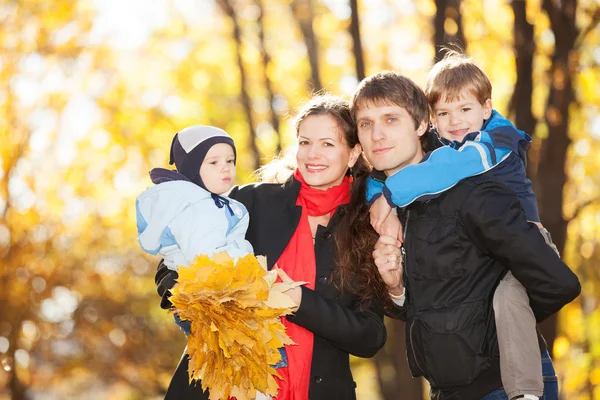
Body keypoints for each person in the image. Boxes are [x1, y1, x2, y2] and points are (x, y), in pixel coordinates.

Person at [339, 70, 580, 400]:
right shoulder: (387, 210)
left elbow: (558, 282)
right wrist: (395, 287)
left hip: (506, 387)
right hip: (444, 390)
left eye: (391, 119)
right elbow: (432, 309)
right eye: (366, 124)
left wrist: (495, 328)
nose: (377, 134)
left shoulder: (470, 191)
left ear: (423, 124)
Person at [154, 95, 387, 400]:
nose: (313, 154)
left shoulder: (368, 226)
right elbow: (168, 269)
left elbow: (370, 337)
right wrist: (216, 295)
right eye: (305, 142)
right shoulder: (247, 203)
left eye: (328, 144)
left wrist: (298, 300)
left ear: (354, 153)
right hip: (222, 388)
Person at [136, 125, 254, 336]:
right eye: (213, 162)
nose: (225, 168)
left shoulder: (205, 203)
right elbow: (205, 256)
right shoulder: (197, 208)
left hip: (206, 296)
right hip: (210, 298)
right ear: (192, 168)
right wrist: (246, 275)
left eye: (230, 161)